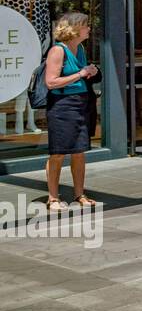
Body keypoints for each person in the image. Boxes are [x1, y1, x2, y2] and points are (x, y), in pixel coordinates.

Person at [43, 12, 99, 210]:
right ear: (74, 29)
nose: (89, 29)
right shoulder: (58, 51)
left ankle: (79, 194)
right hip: (62, 104)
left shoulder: (80, 48)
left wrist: (90, 72)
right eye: (86, 26)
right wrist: (80, 74)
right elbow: (50, 82)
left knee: (79, 151)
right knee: (58, 153)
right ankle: (53, 198)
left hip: (81, 103)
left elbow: (81, 74)